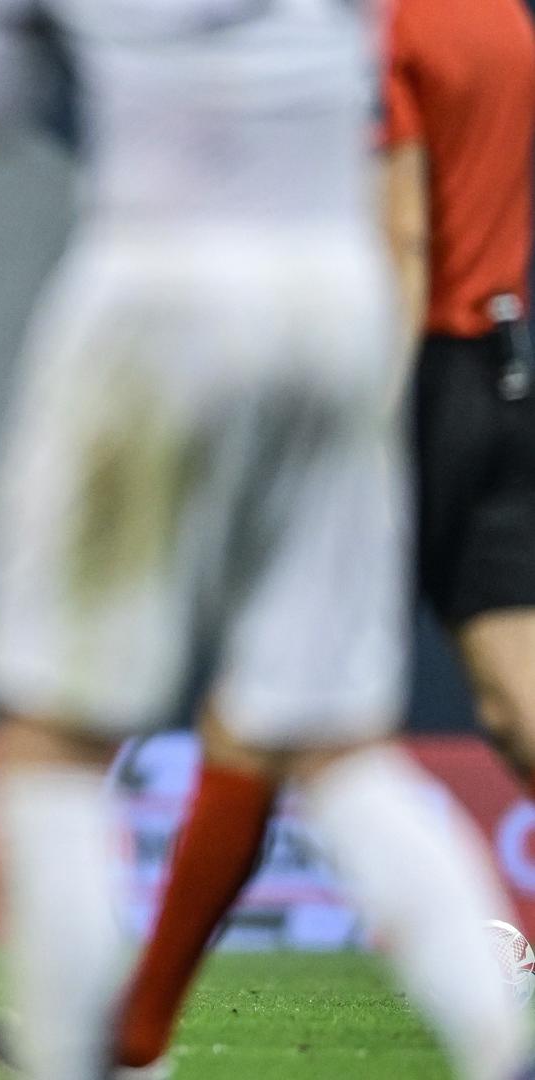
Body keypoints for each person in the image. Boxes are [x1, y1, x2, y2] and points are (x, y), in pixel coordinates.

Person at [0, 0, 534, 1077]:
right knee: (338, 741)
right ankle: (494, 1043)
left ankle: (77, 1059)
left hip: (159, 290)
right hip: (336, 305)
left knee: (52, 739)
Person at [112, 0, 535, 1070]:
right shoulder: (498, 19)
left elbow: (400, 236)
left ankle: (132, 1036)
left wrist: (356, 435)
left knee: (255, 714)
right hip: (499, 372)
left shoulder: (380, 28)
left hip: (408, 380)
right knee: (517, 701)